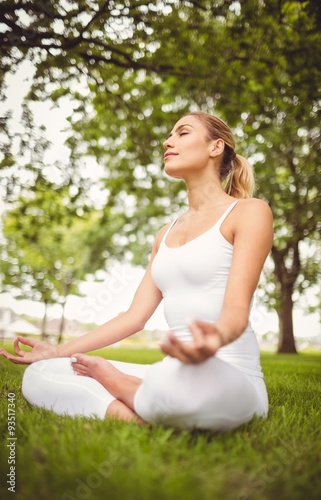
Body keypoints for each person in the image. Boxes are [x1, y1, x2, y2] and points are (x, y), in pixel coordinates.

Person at [0, 112, 273, 431]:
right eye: (169, 135)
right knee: (41, 374)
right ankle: (139, 413)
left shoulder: (250, 212)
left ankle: (125, 388)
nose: (167, 141)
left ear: (216, 147)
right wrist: (58, 351)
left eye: (182, 133)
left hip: (228, 375)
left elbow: (237, 309)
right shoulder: (165, 234)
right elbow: (134, 317)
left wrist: (215, 337)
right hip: (170, 375)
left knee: (199, 392)